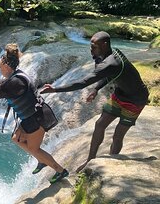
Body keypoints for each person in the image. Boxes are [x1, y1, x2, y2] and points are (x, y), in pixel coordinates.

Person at [0, 43, 69, 184]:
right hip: (30, 118)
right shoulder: (16, 76)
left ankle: (60, 170)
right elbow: (2, 85)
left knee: (34, 148)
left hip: (37, 118)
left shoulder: (15, 81)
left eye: (0, 67)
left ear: (6, 66)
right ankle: (41, 160)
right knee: (16, 138)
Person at [40, 31, 149, 173]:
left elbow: (82, 82)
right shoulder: (108, 54)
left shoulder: (111, 61)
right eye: (91, 46)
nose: (91, 50)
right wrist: (97, 88)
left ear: (104, 45)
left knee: (117, 135)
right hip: (120, 95)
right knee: (100, 124)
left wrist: (55, 89)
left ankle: (111, 166)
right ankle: (90, 160)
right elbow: (111, 74)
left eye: (94, 47)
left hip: (136, 100)